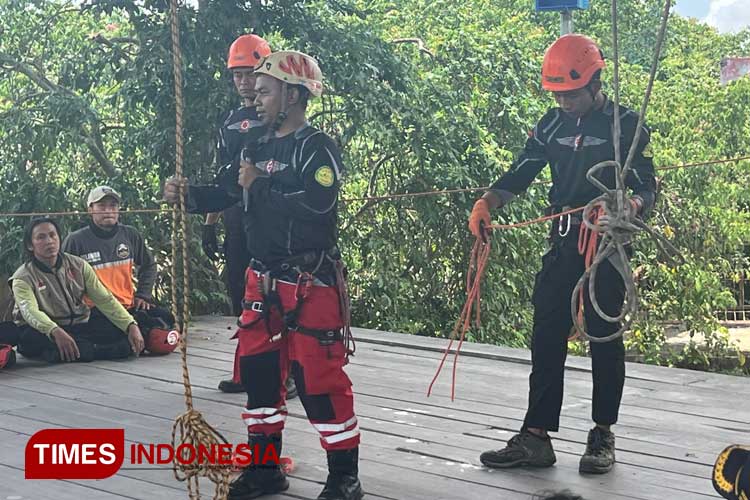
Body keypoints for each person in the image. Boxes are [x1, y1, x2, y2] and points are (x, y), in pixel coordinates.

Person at [164, 50, 363, 500]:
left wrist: (262, 185)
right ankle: (264, 468)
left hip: (310, 282)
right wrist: (188, 196)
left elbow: (319, 206)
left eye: (266, 90)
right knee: (258, 375)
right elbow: (226, 191)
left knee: (318, 380)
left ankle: (343, 477)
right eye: (256, 90)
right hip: (263, 281)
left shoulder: (317, 148)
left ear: (293, 95)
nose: (255, 97)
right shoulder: (253, 145)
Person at [470, 34, 657, 475]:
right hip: (563, 241)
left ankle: (602, 433)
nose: (564, 102)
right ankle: (536, 436)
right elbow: (521, 172)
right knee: (546, 333)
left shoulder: (625, 125)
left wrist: (630, 206)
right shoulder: (551, 125)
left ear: (595, 84)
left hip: (604, 246)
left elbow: (648, 186)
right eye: (557, 94)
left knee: (603, 337)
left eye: (571, 94)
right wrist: (487, 202)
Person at [202, 34, 294, 397]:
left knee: (276, 294)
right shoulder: (228, 121)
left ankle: (285, 374)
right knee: (242, 293)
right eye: (236, 74)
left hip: (271, 215)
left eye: (248, 72)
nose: (242, 81)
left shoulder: (278, 117)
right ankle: (247, 368)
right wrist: (210, 224)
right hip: (236, 216)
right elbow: (222, 178)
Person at [62, 186, 178, 355]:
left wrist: (143, 295)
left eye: (113, 206)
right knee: (110, 331)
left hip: (127, 305)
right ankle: (140, 336)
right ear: (90, 210)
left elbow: (149, 265)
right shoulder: (76, 240)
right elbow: (62, 276)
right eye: (101, 206)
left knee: (166, 316)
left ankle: (141, 333)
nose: (108, 211)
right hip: (96, 310)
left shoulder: (130, 235)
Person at [10, 218, 145, 363]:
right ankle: (94, 350)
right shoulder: (22, 277)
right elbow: (30, 312)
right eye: (41, 237)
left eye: (52, 235)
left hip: (78, 325)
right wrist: (54, 330)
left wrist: (130, 325)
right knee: (32, 339)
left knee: (120, 327)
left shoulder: (79, 265)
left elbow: (104, 299)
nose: (49, 241)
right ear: (30, 245)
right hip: (42, 330)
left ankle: (76, 351)